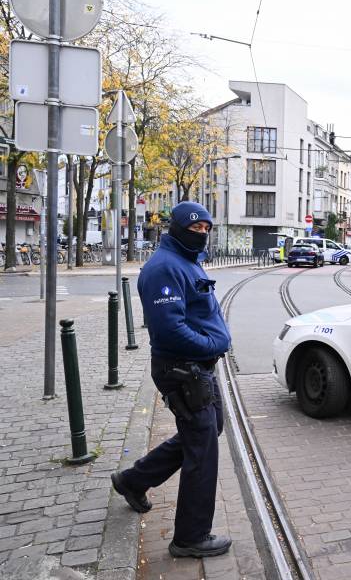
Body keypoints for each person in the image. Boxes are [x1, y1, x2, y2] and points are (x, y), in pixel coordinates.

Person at [110, 202, 232, 558]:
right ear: (177, 228)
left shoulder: (186, 260)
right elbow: (170, 328)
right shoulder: (164, 268)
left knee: (208, 431)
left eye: (207, 228)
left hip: (198, 369)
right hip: (184, 370)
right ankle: (190, 537)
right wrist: (213, 343)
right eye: (196, 228)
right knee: (203, 449)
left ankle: (133, 480)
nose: (202, 234)